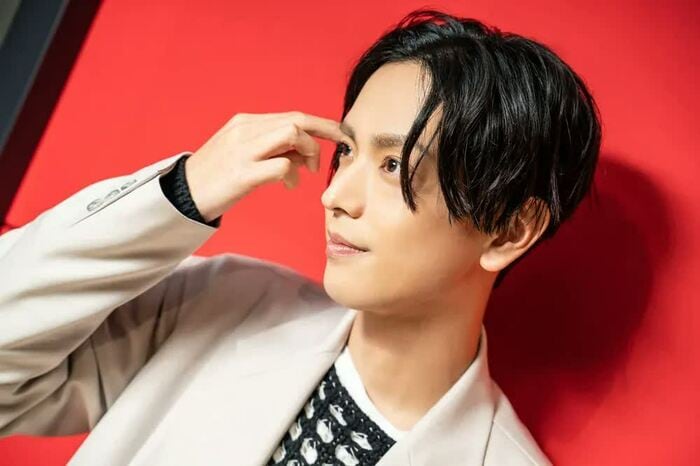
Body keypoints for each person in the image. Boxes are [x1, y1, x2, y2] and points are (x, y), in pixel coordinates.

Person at [0, 8, 600, 466]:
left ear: (509, 230)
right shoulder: (224, 303)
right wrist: (182, 193)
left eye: (394, 165)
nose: (333, 195)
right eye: (347, 152)